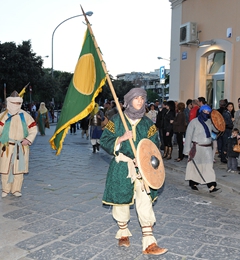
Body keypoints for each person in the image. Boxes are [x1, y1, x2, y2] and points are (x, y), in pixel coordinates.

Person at [100, 88, 168, 256]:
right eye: (136, 98)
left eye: (142, 98)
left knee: (145, 201)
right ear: (129, 101)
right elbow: (104, 140)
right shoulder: (116, 121)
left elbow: (154, 146)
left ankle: (149, 242)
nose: (140, 101)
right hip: (122, 166)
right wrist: (121, 139)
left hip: (143, 169)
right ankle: (123, 232)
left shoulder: (148, 124)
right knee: (121, 200)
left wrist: (145, 159)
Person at [0, 91, 37, 198]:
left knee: (18, 170)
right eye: (13, 103)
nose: (15, 106)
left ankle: (16, 189)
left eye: (18, 103)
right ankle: (6, 190)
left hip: (21, 146)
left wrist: (28, 139)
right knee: (5, 169)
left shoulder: (25, 116)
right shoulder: (2, 116)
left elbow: (33, 128)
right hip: (6, 146)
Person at [183, 105, 221, 193]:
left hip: (207, 148)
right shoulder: (193, 122)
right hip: (197, 148)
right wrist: (187, 150)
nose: (207, 113)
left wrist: (218, 123)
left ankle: (212, 186)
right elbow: (188, 136)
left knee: (208, 166)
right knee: (196, 166)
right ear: (201, 111)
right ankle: (193, 183)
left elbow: (215, 130)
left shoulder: (209, 122)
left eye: (208, 112)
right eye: (205, 112)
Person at [234, 97, 240, 167]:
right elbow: (235, 123)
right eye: (238, 102)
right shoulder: (236, 112)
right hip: (237, 133)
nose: (239, 103)